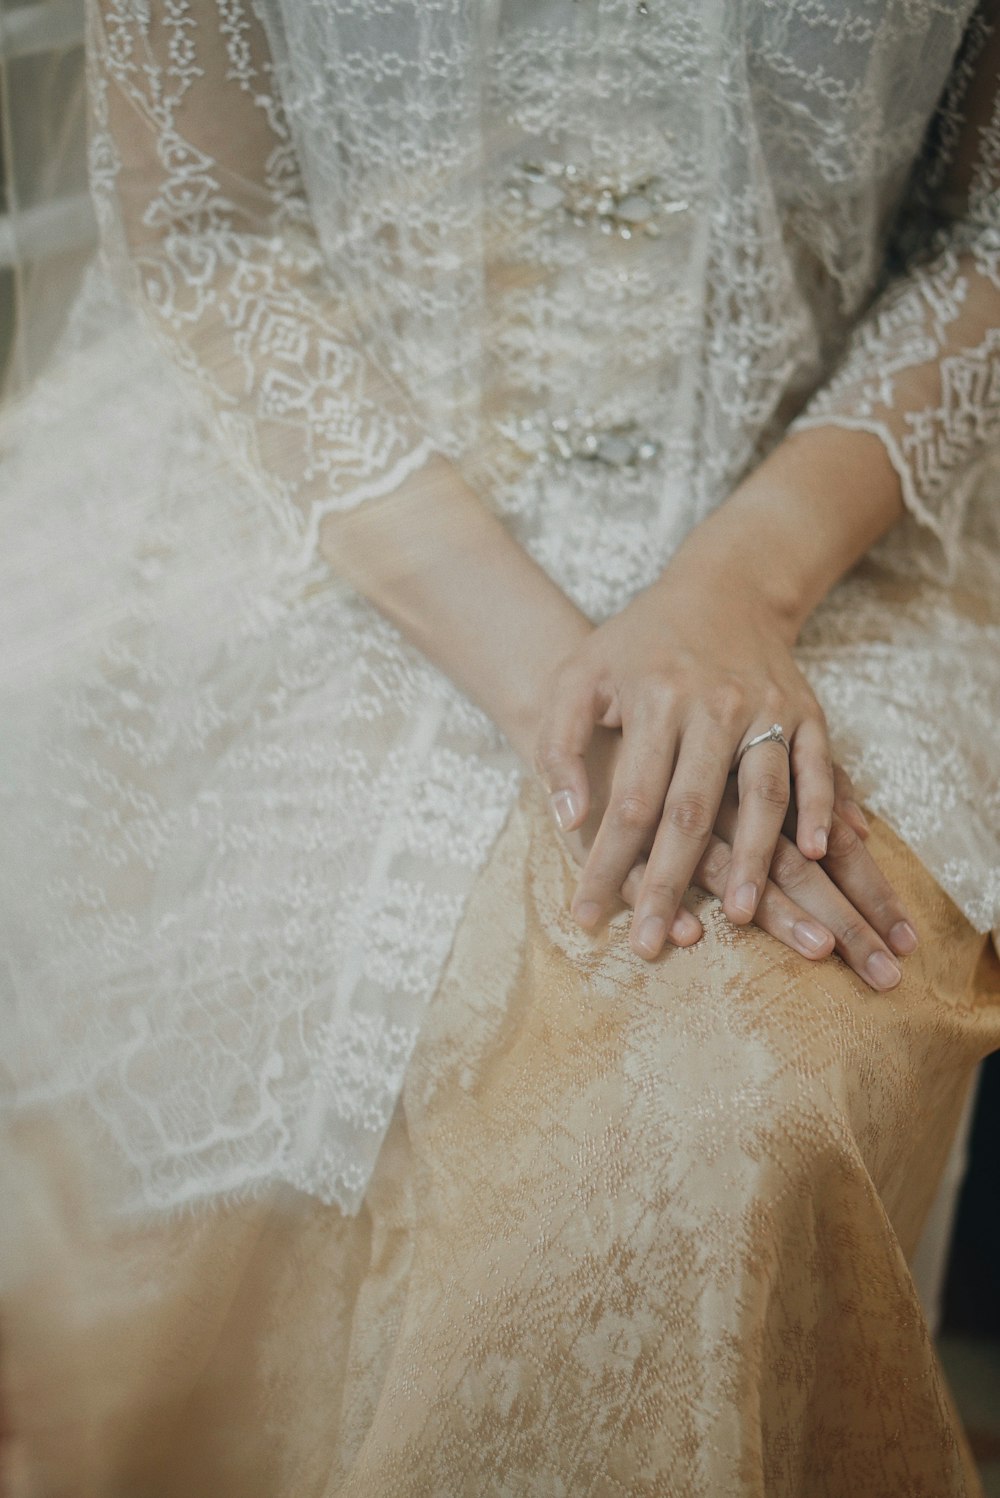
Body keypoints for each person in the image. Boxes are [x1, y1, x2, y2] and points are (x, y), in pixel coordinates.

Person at [1, 1, 999, 1493]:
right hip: (304, 538)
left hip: (835, 553)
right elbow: (209, 228)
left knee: (730, 1117)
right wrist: (572, 693)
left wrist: (738, 587)